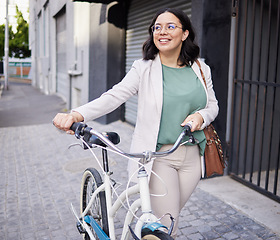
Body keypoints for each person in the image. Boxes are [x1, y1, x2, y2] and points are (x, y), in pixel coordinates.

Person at [53, 8, 218, 238]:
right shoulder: (144, 68)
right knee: (165, 226)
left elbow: (212, 106)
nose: (162, 31)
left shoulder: (201, 68)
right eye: (157, 27)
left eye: (171, 26)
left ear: (184, 34)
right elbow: (114, 96)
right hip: (160, 159)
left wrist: (201, 117)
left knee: (170, 218)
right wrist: (77, 114)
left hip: (192, 158)